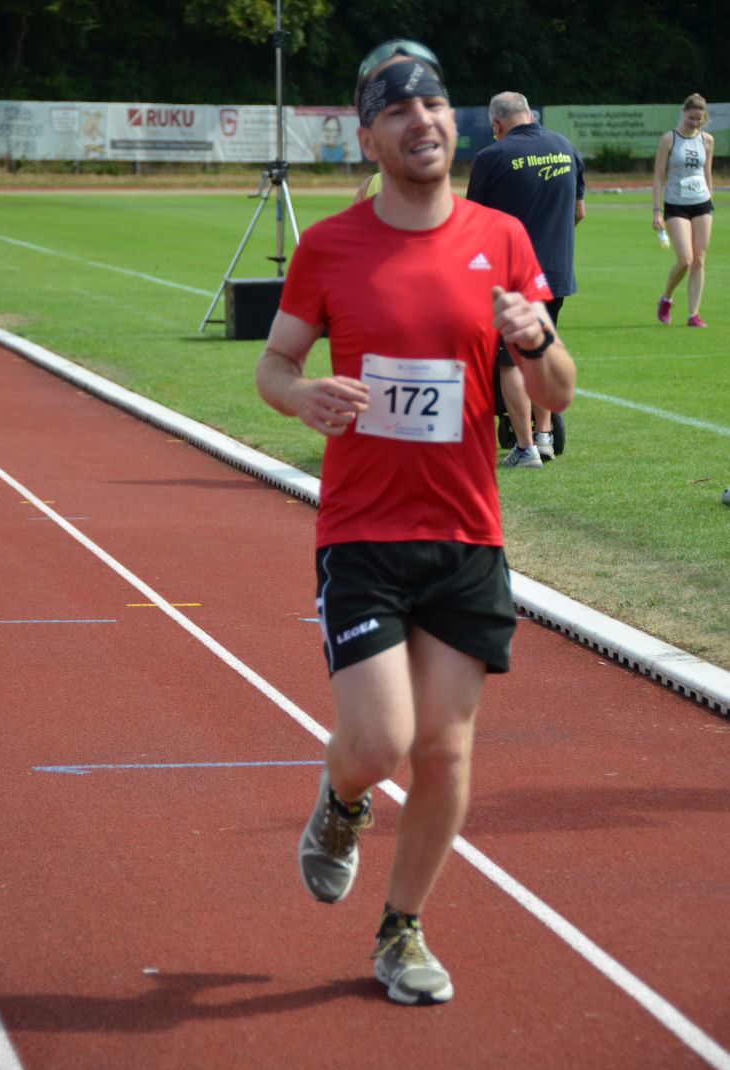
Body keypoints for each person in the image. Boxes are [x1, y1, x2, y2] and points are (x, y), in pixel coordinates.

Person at [256, 40, 576, 1005]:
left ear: (454, 122)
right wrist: (300, 395)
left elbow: (557, 390)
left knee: (445, 747)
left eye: (432, 103)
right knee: (379, 740)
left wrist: (538, 338)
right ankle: (342, 798)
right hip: (362, 531)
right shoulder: (330, 246)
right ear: (369, 138)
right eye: (396, 109)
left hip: (467, 533)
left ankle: (402, 929)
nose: (420, 119)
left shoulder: (501, 238)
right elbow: (274, 364)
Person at [467, 92, 585, 468]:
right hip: (555, 271)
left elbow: (473, 223)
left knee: (510, 360)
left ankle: (524, 447)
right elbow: (579, 212)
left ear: (496, 124)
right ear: (529, 114)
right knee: (540, 352)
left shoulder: (492, 157)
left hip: (511, 276)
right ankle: (545, 436)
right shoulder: (565, 147)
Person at [653, 93, 714, 328]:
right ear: (683, 113)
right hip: (676, 203)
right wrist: (657, 211)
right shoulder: (669, 139)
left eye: (699, 118)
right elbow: (658, 177)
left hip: (702, 203)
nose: (695, 122)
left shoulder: (707, 140)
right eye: (691, 117)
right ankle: (666, 298)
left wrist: (710, 200)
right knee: (685, 259)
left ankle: (693, 315)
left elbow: (707, 173)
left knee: (699, 259)